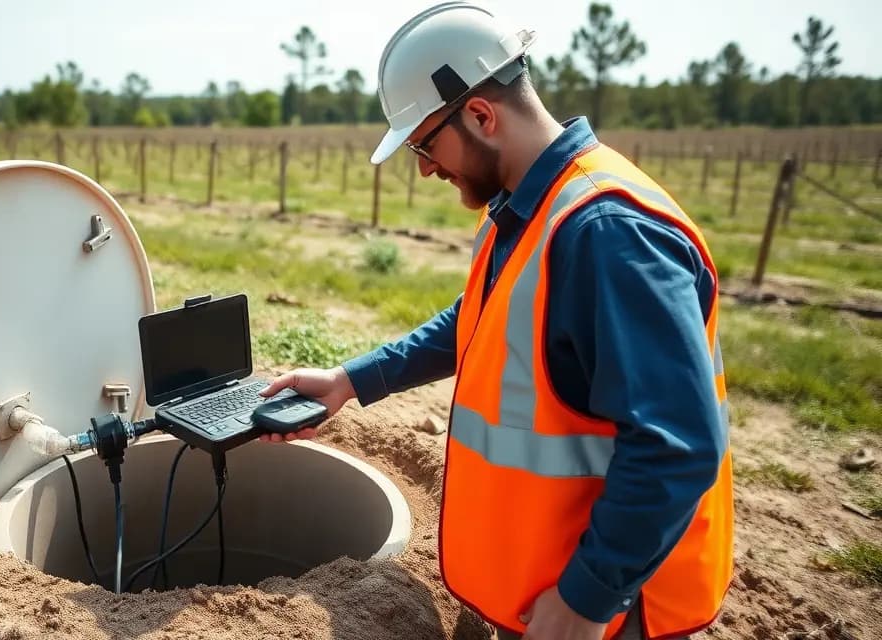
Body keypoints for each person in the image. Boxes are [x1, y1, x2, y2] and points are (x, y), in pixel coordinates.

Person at [258, 3, 734, 640]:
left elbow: (678, 444)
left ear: (480, 114)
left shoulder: (607, 232)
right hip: (544, 592)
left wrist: (585, 602)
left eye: (425, 143)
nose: (425, 167)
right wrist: (352, 379)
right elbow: (484, 318)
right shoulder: (530, 207)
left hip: (609, 617)